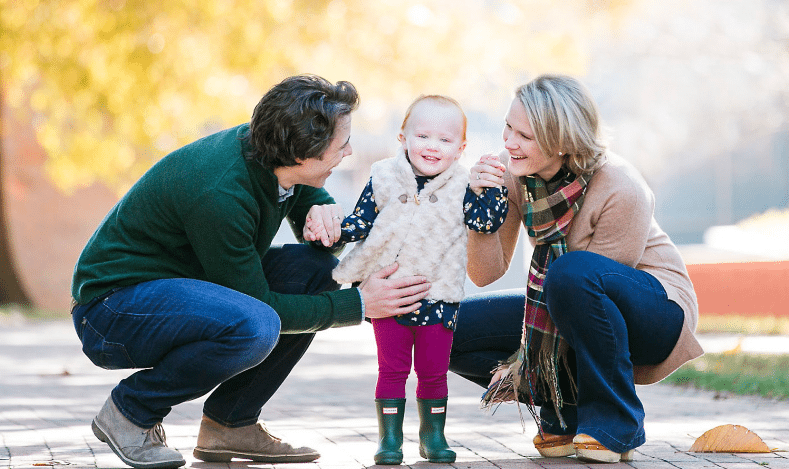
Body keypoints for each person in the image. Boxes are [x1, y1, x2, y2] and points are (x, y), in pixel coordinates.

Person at [70, 74, 432, 469]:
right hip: (112, 311)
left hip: (173, 288)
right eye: (341, 144)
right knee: (255, 325)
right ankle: (129, 413)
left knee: (316, 272)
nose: (348, 152)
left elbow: (305, 193)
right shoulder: (220, 195)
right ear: (301, 156)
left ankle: (231, 423)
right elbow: (262, 307)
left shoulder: (268, 146)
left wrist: (323, 214)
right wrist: (358, 305)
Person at [448, 75, 703, 463]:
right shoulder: (511, 174)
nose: (508, 142)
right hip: (566, 298)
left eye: (525, 136)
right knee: (445, 330)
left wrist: (526, 359)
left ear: (563, 142)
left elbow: (590, 306)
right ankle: (563, 414)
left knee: (571, 273)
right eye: (508, 127)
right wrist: (480, 209)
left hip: (655, 312)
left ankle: (617, 426)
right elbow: (485, 275)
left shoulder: (620, 185)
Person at [304, 95, 508, 465]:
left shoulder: (465, 185)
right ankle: (390, 440)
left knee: (433, 372)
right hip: (390, 295)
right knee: (392, 369)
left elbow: (486, 223)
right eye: (423, 136)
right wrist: (330, 231)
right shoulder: (383, 175)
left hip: (438, 296)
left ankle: (433, 437)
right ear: (403, 138)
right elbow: (361, 223)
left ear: (461, 148)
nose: (432, 146)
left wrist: (492, 189)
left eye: (445, 140)